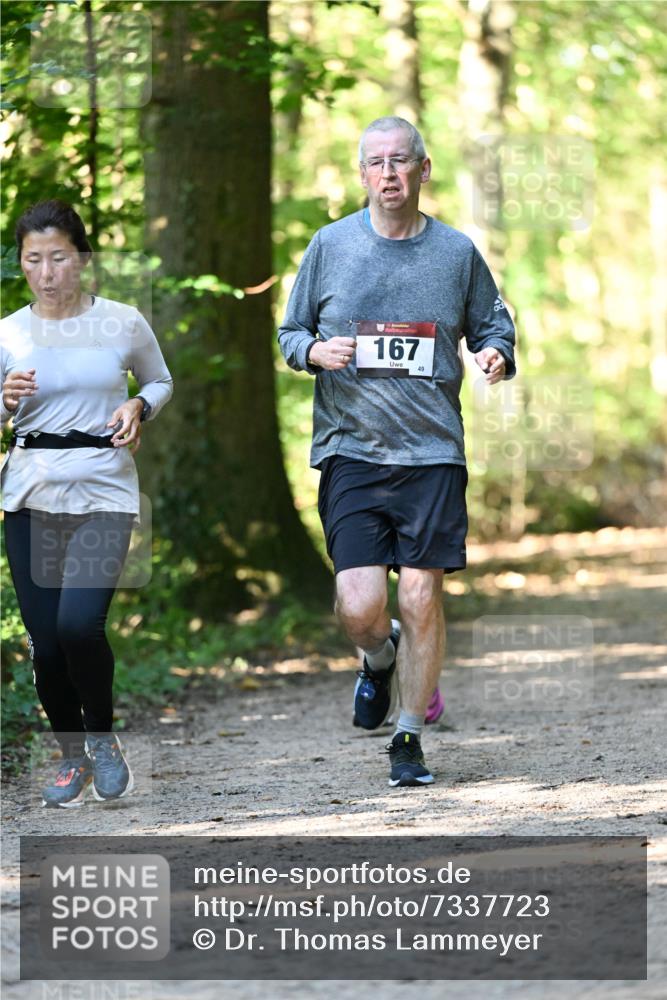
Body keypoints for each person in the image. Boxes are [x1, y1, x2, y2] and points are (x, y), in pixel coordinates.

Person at [278, 117, 515, 788]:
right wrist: (313, 351)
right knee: (359, 607)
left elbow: (492, 321)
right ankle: (378, 661)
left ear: (423, 169)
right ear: (360, 174)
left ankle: (407, 737)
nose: (388, 172)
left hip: (432, 453)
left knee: (419, 596)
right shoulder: (329, 247)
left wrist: (495, 350)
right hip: (351, 450)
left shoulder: (455, 252)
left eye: (400, 161)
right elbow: (291, 330)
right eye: (376, 162)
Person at [1, 199, 173, 807]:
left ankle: (101, 738)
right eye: (33, 261)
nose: (47, 273)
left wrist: (138, 407)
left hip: (104, 487)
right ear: (22, 265)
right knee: (45, 643)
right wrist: (4, 400)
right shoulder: (8, 333)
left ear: (82, 259)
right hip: (30, 493)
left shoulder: (121, 322)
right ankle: (71, 756)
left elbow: (159, 379)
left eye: (59, 258)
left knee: (79, 625)